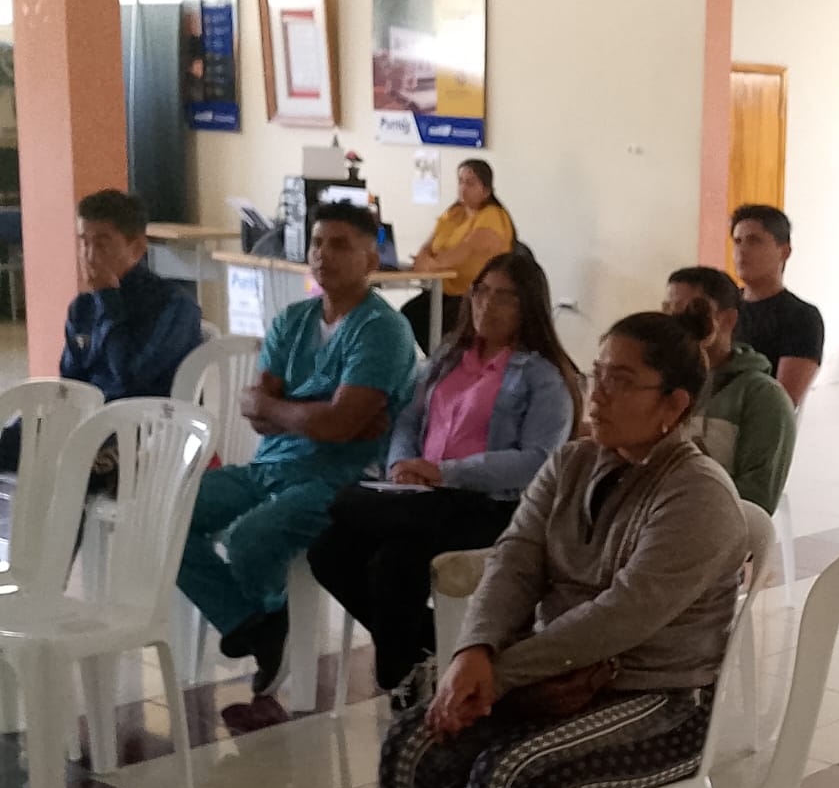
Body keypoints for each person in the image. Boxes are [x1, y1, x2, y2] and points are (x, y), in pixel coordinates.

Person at [379, 310, 746, 788]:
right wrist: (473, 652)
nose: (597, 393)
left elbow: (623, 615)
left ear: (674, 404)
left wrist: (504, 672)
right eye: (597, 372)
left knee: (511, 778)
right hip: (549, 676)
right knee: (413, 745)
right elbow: (514, 560)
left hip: (657, 703)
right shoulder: (573, 462)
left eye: (621, 380)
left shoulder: (698, 494)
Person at [307, 253, 583, 705]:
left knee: (393, 561)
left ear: (528, 306)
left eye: (504, 297)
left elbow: (537, 461)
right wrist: (402, 464)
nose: (486, 305)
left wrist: (446, 472)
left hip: (492, 506)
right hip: (422, 498)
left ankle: (399, 676)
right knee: (328, 550)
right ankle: (429, 651)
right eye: (481, 292)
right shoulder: (449, 358)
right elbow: (408, 421)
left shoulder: (542, 377)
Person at [177, 201, 416, 697]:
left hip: (338, 480)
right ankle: (255, 622)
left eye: (340, 245)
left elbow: (335, 424)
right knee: (170, 514)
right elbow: (257, 409)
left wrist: (292, 411)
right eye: (317, 243)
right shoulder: (293, 320)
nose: (323, 255)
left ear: (371, 260)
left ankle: (268, 614)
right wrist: (317, 415)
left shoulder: (382, 329)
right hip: (268, 466)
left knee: (249, 539)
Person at [0, 189, 204, 477]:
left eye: (102, 243)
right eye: (83, 242)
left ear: (137, 247)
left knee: (68, 466)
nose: (89, 255)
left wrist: (109, 299)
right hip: (85, 419)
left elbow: (129, 378)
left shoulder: (175, 306)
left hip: (143, 429)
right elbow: (70, 382)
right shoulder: (83, 307)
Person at [663, 265, 796, 514]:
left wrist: (680, 504)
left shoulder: (763, 397)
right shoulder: (661, 383)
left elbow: (757, 498)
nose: (677, 323)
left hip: (714, 522)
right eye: (668, 311)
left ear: (728, 319)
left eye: (694, 311)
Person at [403, 159, 517, 351]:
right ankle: (438, 360)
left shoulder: (492, 217)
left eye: (470, 183)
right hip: (442, 291)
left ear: (486, 190)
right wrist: (424, 258)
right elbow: (429, 244)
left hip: (471, 296)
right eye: (460, 181)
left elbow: (463, 252)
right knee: (409, 314)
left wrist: (431, 264)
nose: (463, 188)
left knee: (437, 321)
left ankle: (446, 360)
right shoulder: (455, 213)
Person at [730, 204, 824, 408]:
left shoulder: (801, 317)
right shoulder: (722, 306)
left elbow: (783, 401)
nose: (742, 250)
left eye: (754, 241)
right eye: (737, 241)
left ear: (784, 252)